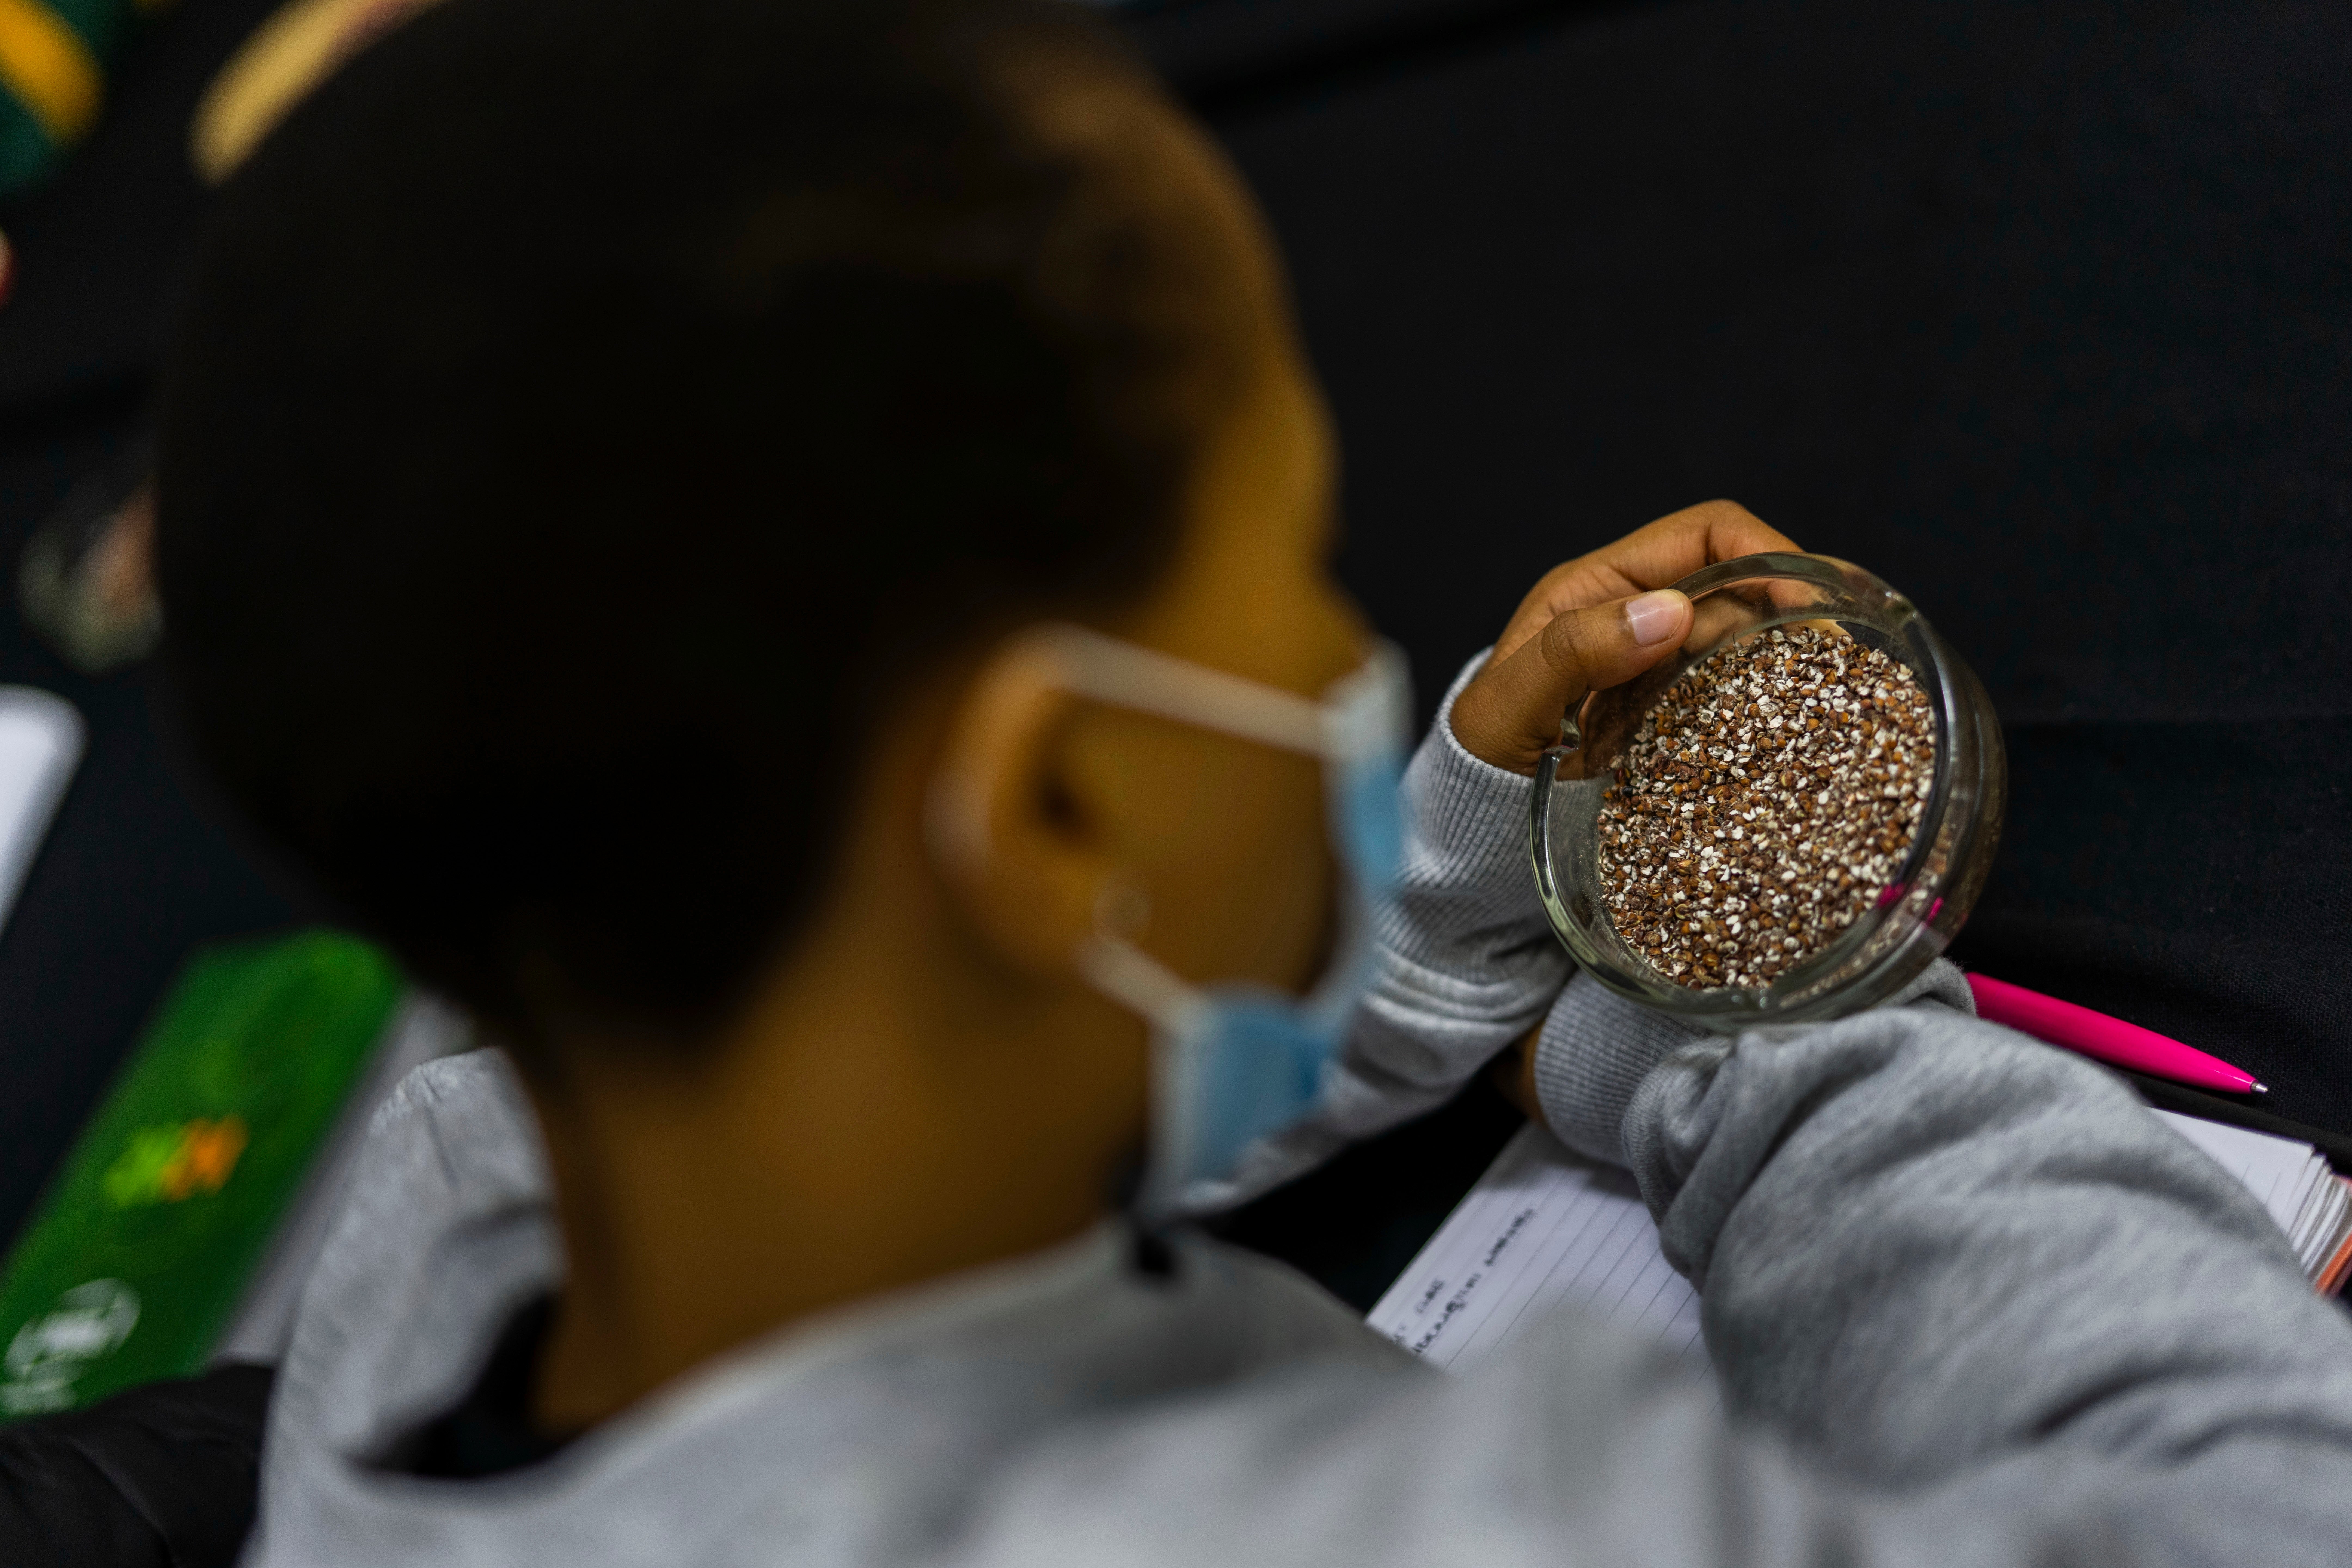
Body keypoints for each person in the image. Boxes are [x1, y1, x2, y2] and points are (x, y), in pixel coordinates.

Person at [151, 0, 2352, 1561]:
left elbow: (1040, 1051)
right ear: (1047, 816)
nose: (1346, 647)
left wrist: (1474, 860)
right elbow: (2248, 1495)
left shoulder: (483, 1198)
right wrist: (1755, 1017)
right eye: (1285, 567)